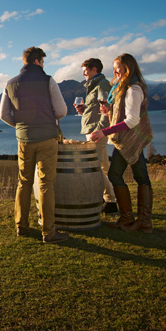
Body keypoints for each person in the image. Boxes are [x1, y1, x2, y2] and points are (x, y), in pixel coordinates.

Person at [0, 47, 70, 243]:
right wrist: (45, 119)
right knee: (46, 184)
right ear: (38, 61)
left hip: (24, 139)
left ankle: (21, 227)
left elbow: (3, 115)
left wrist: (22, 125)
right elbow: (62, 111)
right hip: (47, 138)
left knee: (24, 182)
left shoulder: (10, 83)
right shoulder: (48, 81)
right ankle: (49, 232)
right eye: (43, 62)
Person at [89, 53, 154, 233]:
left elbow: (132, 120)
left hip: (130, 139)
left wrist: (104, 131)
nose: (116, 71)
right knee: (138, 177)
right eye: (115, 67)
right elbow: (122, 116)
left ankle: (133, 219)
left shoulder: (133, 89)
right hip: (127, 140)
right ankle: (140, 221)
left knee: (117, 175)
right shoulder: (121, 88)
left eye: (119, 67)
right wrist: (108, 113)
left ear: (129, 67)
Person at [73, 58, 118, 214]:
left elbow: (107, 110)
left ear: (94, 69)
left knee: (95, 167)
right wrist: (83, 109)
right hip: (93, 129)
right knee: (104, 166)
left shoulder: (102, 85)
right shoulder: (93, 86)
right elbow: (96, 108)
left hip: (96, 132)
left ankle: (110, 200)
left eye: (85, 69)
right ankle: (110, 200)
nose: (83, 72)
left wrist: (99, 130)